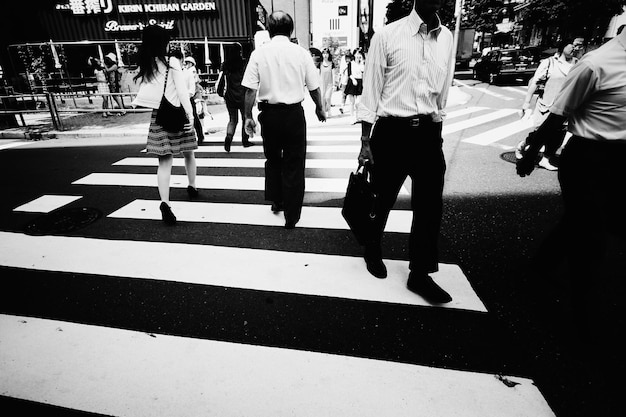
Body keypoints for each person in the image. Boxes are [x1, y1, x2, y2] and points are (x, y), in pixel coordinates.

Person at [516, 28, 626, 415]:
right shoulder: (596, 64)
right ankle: (587, 327)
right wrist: (530, 153)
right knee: (591, 240)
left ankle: (542, 265)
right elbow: (558, 115)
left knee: (581, 224)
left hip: (621, 161)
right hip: (589, 160)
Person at [356, 0, 454, 304]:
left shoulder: (447, 38)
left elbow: (444, 87)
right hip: (391, 132)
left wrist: (436, 125)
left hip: (427, 131)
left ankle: (420, 273)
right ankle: (372, 246)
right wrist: (365, 141)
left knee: (429, 205)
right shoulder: (387, 35)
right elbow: (371, 89)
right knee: (381, 198)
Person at [242, 11, 326, 229]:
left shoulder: (259, 54)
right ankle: (292, 213)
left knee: (273, 159)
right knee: (295, 163)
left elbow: (250, 89)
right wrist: (320, 107)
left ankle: (277, 200)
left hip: (269, 115)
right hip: (294, 115)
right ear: (291, 30)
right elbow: (314, 86)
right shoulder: (301, 53)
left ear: (269, 31)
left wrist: (248, 117)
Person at [132, 24, 199, 225]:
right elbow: (181, 92)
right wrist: (191, 117)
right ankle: (192, 186)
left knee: (164, 162)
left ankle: (165, 203)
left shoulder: (146, 63)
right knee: (189, 152)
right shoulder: (171, 62)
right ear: (163, 42)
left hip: (158, 116)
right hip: (177, 114)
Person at [517, 41, 578, 171]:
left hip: (566, 106)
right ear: (563, 46)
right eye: (572, 44)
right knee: (540, 132)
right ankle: (523, 145)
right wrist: (526, 102)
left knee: (558, 134)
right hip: (547, 105)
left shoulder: (578, 64)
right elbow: (535, 82)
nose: (575, 47)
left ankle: (546, 159)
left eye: (577, 45)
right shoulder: (550, 62)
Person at [218, 43, 254, 152]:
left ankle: (228, 140)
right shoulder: (244, 63)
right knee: (245, 118)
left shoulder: (225, 64)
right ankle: (245, 140)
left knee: (232, 120)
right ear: (240, 51)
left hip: (230, 96)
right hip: (243, 95)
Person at [183, 56, 205, 144]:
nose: (186, 64)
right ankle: (199, 135)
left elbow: (194, 82)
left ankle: (199, 136)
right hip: (191, 95)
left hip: (191, 96)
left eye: (188, 62)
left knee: (194, 117)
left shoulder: (191, 70)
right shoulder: (188, 71)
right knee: (194, 117)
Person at [344, 48, 365, 122]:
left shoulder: (362, 64)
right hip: (352, 81)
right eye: (357, 53)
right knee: (351, 102)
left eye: (360, 54)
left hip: (360, 82)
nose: (358, 55)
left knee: (358, 102)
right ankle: (352, 117)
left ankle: (357, 116)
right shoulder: (351, 63)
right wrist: (353, 79)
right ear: (354, 54)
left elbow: (363, 72)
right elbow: (349, 73)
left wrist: (362, 62)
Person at [319, 48, 336, 117]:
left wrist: (334, 84)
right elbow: (317, 74)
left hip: (329, 84)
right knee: (322, 98)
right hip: (321, 84)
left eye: (326, 53)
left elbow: (334, 74)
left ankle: (329, 110)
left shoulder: (332, 64)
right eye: (324, 53)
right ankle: (324, 112)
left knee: (327, 97)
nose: (325, 55)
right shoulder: (320, 64)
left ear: (329, 54)